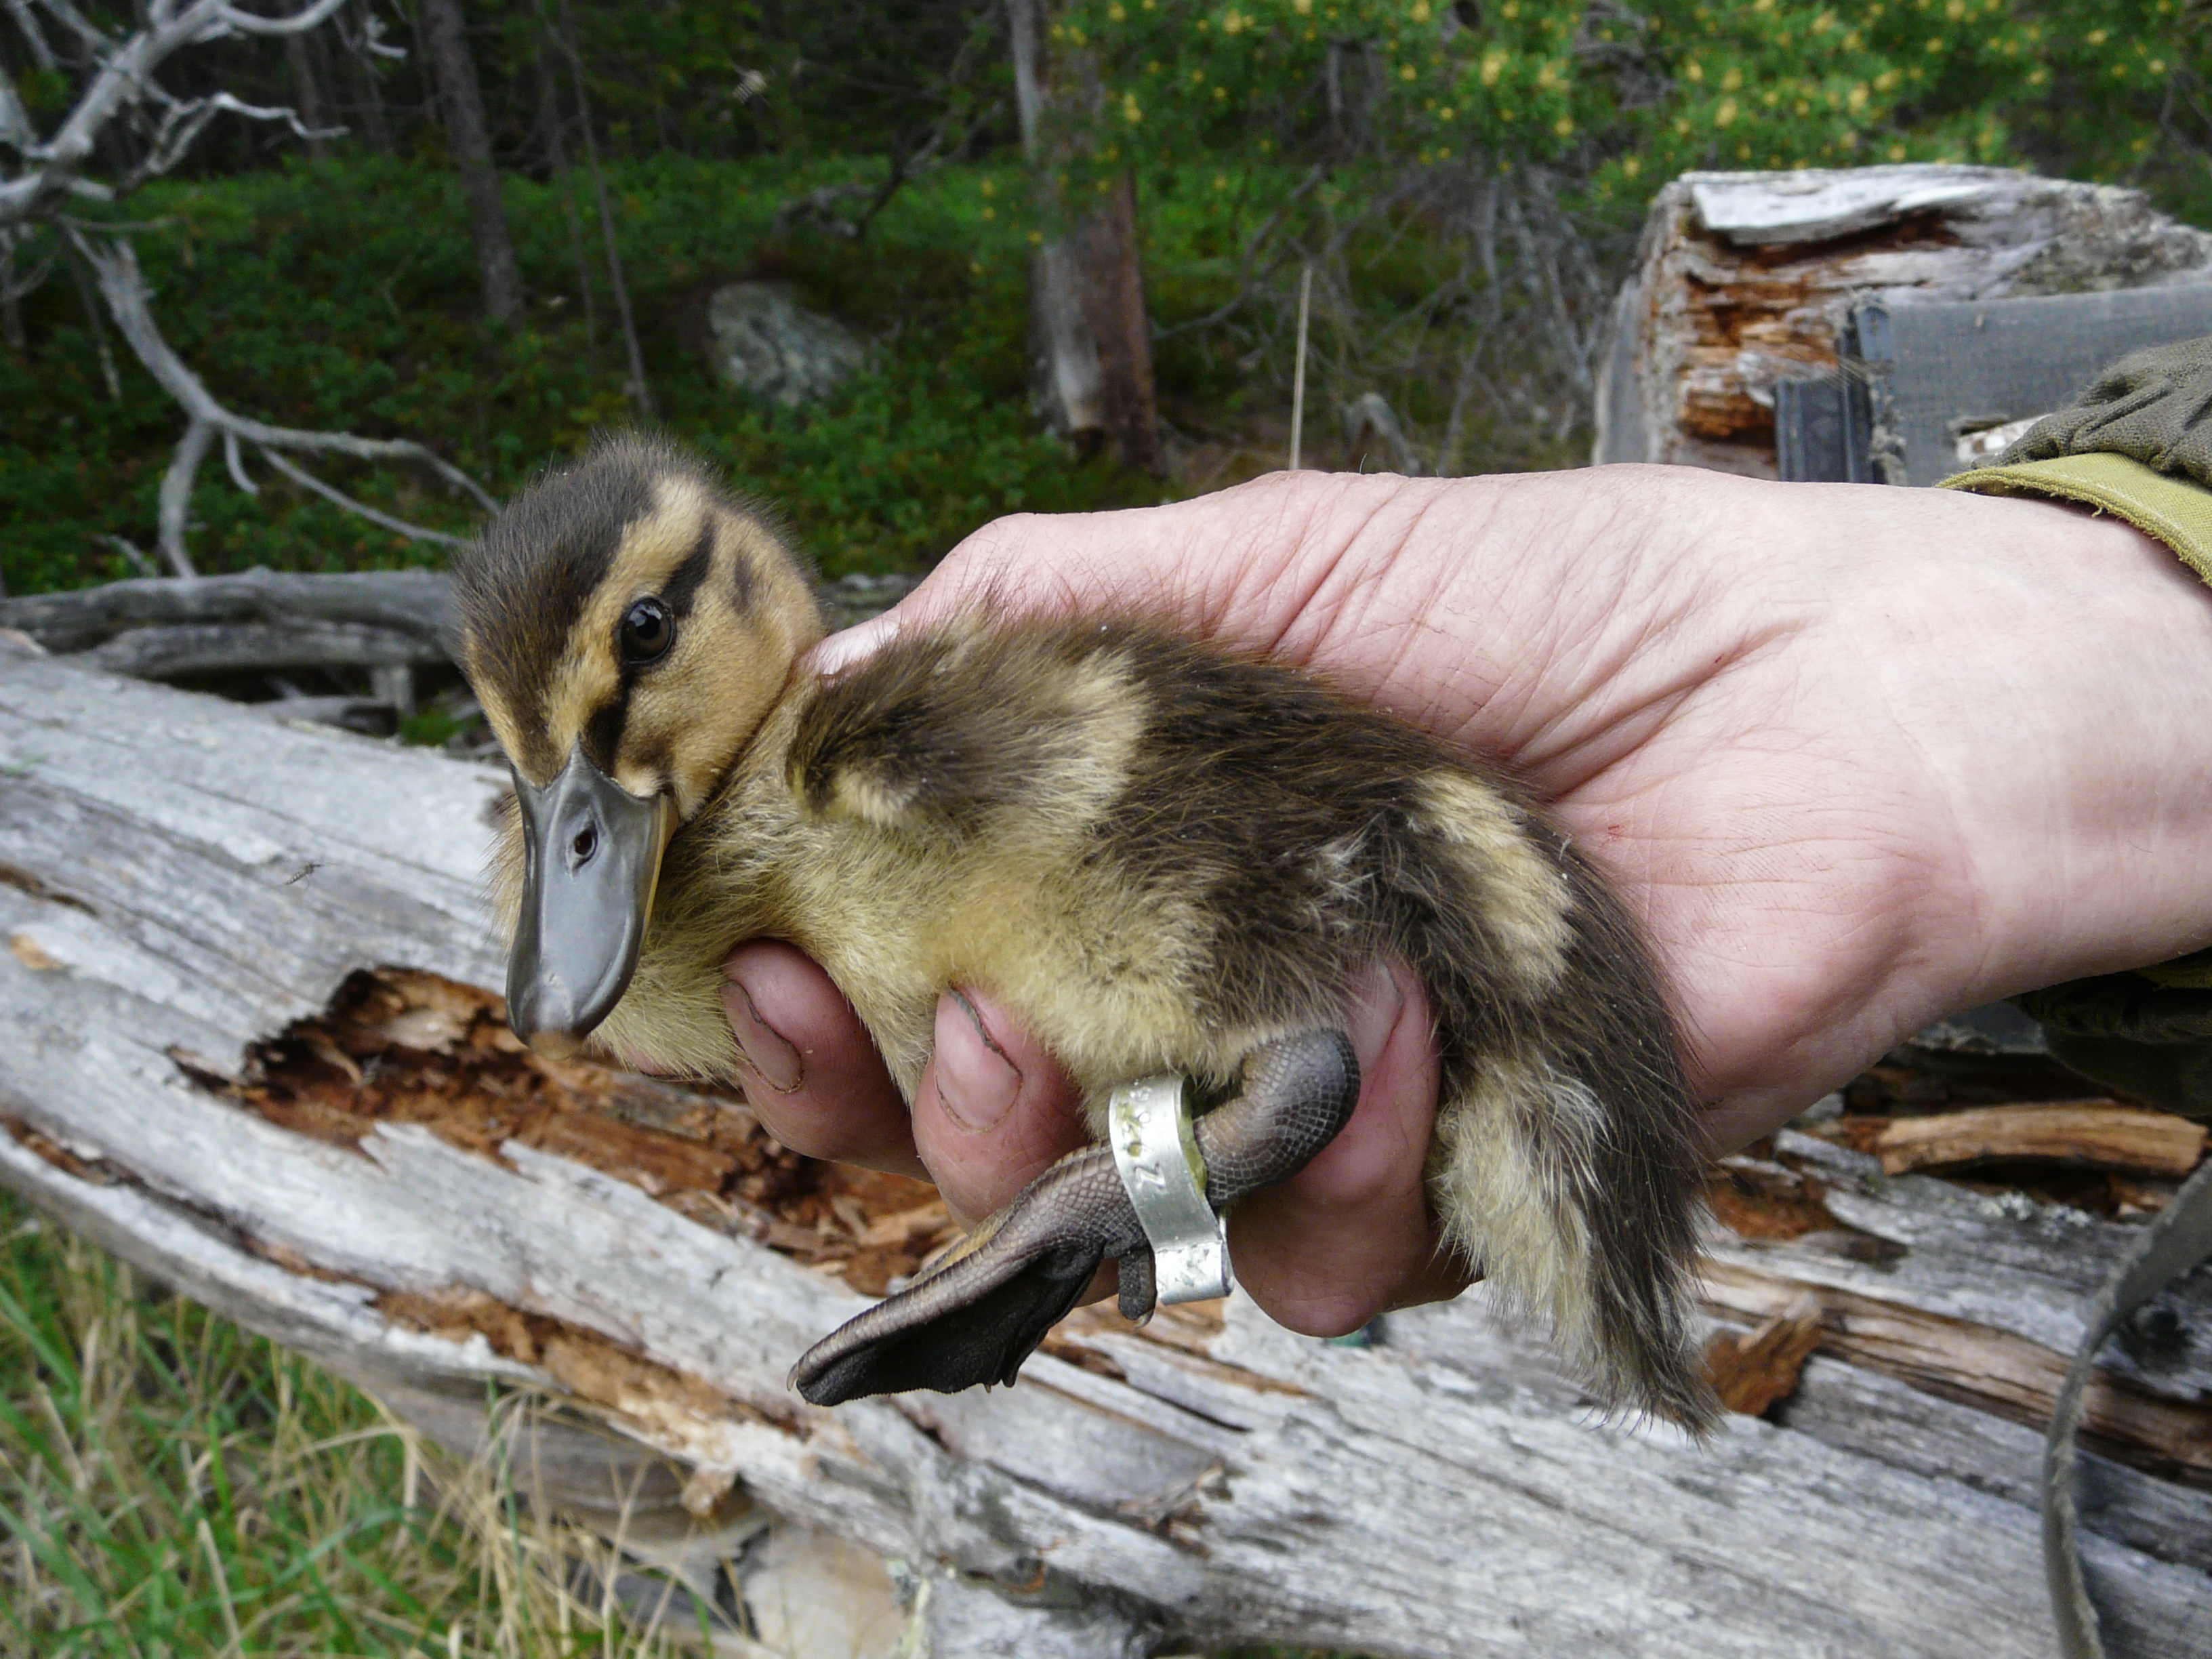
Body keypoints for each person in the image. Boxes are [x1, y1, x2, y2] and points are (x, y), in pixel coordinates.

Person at [699, 348, 2212, 1342]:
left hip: (1366, 978)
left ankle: (1125, 1194)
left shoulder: (868, 736)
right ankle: (1151, 1185)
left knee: (1294, 1054)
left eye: (647, 638)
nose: (585, 820)